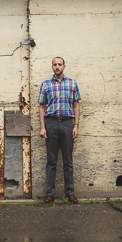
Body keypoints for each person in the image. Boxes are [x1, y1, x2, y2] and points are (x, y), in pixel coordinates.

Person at [38, 56, 81, 203]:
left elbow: (76, 105)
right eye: (55, 64)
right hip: (51, 123)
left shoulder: (72, 84)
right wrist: (43, 127)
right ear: (52, 67)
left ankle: (70, 193)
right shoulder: (45, 85)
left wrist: (76, 125)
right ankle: (50, 193)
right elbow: (41, 107)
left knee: (68, 160)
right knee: (51, 160)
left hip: (67, 124)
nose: (57, 67)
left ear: (64, 66)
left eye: (60, 64)